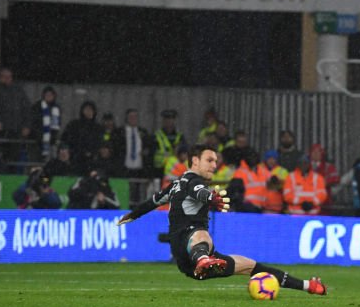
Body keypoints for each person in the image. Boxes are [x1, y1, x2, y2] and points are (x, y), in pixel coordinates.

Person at [116, 144, 327, 294]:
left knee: (251, 265)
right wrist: (210, 197)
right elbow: (198, 191)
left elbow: (151, 202)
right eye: (209, 160)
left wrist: (132, 215)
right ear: (195, 161)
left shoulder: (174, 185)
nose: (214, 165)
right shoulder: (192, 180)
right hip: (190, 245)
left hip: (191, 257)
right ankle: (203, 259)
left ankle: (308, 286)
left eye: (215, 161)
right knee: (201, 233)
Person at [153, 109, 186, 173]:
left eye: (171, 119)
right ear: (163, 121)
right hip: (159, 170)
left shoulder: (180, 136)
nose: (169, 121)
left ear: (174, 121)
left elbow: (184, 154)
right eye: (167, 119)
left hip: (176, 169)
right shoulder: (156, 136)